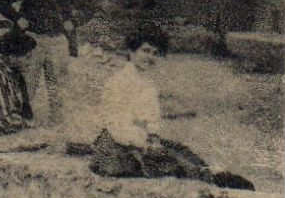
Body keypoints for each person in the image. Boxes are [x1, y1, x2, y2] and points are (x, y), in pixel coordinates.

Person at [87, 24, 253, 189]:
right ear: (131, 51)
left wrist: (152, 138)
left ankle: (219, 182)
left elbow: (150, 121)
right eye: (145, 50)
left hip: (142, 142)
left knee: (185, 155)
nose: (150, 57)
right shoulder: (118, 83)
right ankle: (216, 186)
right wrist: (144, 144)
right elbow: (116, 125)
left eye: (155, 53)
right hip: (120, 147)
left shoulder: (148, 85)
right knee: (179, 165)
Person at [0, 0, 82, 129]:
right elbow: (1, 0)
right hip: (32, 40)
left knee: (57, 84)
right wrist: (17, 18)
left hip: (58, 41)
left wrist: (74, 22)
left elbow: (90, 5)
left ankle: (56, 124)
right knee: (27, 82)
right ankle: (21, 121)